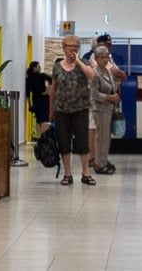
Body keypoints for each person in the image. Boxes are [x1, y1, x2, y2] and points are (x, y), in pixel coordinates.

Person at [48, 34, 97, 186]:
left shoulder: (84, 63)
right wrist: (51, 110)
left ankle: (85, 173)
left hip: (80, 108)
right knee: (64, 141)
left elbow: (92, 75)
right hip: (61, 110)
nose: (73, 50)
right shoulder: (57, 67)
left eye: (76, 47)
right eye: (70, 47)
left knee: (82, 141)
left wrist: (78, 62)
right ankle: (67, 173)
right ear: (64, 48)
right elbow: (53, 89)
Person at [90, 46, 121, 175]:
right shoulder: (94, 74)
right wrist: (109, 97)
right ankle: (99, 163)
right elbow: (94, 94)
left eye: (106, 57)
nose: (104, 59)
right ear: (96, 59)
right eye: (101, 57)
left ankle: (103, 160)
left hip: (109, 108)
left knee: (106, 137)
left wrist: (115, 96)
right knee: (101, 137)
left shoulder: (108, 72)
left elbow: (113, 86)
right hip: (100, 109)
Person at [25, 60, 52, 138]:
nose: (40, 67)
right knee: (45, 120)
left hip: (35, 100)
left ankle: (39, 138)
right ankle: (45, 139)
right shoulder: (42, 76)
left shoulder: (28, 79)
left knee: (38, 120)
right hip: (44, 100)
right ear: (34, 68)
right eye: (38, 66)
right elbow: (51, 80)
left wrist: (29, 105)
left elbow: (27, 94)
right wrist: (47, 91)